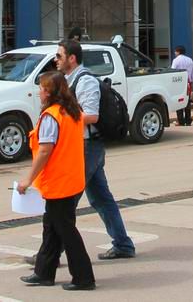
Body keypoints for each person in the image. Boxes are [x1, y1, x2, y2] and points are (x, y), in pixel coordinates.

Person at [17, 71, 96, 291]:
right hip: (71, 179)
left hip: (58, 182)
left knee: (65, 231)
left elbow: (44, 151)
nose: (39, 92)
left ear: (50, 92)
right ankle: (44, 272)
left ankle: (84, 278)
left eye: (42, 88)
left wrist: (27, 180)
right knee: (51, 228)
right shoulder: (73, 112)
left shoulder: (51, 116)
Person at [58, 39, 137, 260]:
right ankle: (123, 245)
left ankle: (51, 254)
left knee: (66, 201)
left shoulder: (85, 82)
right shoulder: (69, 80)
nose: (56, 60)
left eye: (59, 56)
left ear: (71, 59)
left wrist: (62, 117)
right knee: (101, 198)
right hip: (84, 145)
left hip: (88, 147)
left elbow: (92, 116)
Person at [171, 45, 193, 126]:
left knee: (179, 101)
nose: (175, 52)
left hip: (178, 83)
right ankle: (188, 120)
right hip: (188, 83)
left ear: (178, 51)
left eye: (175, 51)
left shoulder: (176, 60)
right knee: (187, 101)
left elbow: (173, 71)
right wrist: (192, 79)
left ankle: (180, 121)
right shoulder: (190, 60)